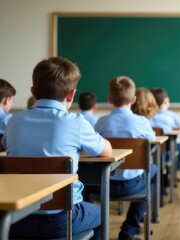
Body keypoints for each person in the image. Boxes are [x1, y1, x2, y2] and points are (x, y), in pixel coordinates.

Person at [3, 57, 112, 239]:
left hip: (15, 219)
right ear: (71, 94)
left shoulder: (14, 121)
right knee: (100, 214)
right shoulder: (76, 122)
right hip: (60, 220)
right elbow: (106, 151)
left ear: (33, 91)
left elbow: (8, 149)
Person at [95, 76, 157, 240]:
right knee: (153, 172)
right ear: (134, 99)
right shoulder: (142, 122)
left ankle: (99, 233)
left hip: (103, 185)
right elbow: (152, 141)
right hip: (132, 184)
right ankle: (129, 230)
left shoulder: (101, 122)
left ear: (109, 99)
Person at [150, 87, 180, 177]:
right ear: (166, 101)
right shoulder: (171, 115)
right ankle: (172, 174)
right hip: (166, 151)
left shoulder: (146, 116)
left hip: (148, 153)